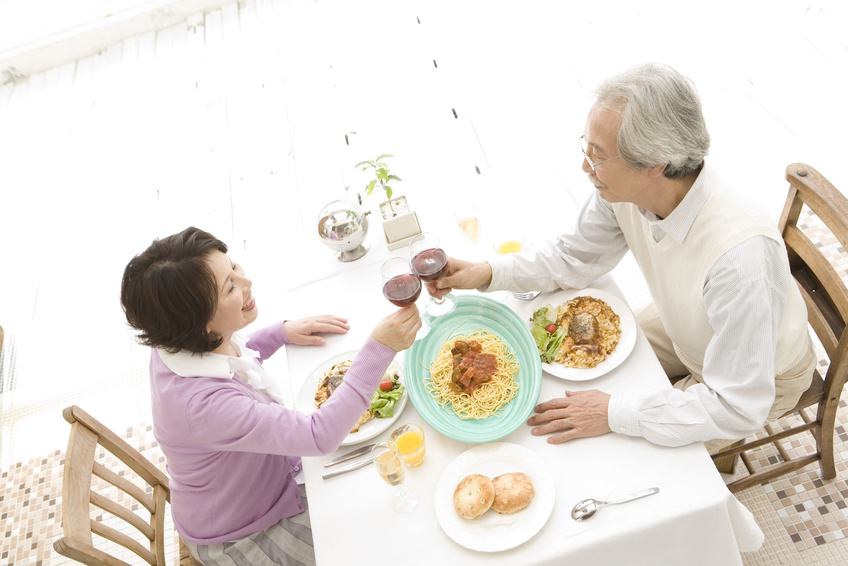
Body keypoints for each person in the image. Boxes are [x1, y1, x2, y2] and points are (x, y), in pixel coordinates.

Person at [428, 63, 816, 466]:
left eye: (597, 156)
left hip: (759, 379)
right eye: (586, 147)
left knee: (615, 452)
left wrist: (615, 413)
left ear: (656, 163)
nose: (585, 167)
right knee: (562, 368)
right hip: (689, 332)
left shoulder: (739, 260)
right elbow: (574, 256)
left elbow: (736, 406)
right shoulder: (626, 189)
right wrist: (487, 273)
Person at [120, 227, 420, 565]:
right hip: (245, 531)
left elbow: (231, 361)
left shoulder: (173, 341)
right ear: (199, 324)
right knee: (388, 537)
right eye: (230, 287)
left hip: (264, 482)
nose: (246, 283)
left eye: (234, 267)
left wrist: (278, 334)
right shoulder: (201, 406)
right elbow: (318, 436)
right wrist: (380, 348)